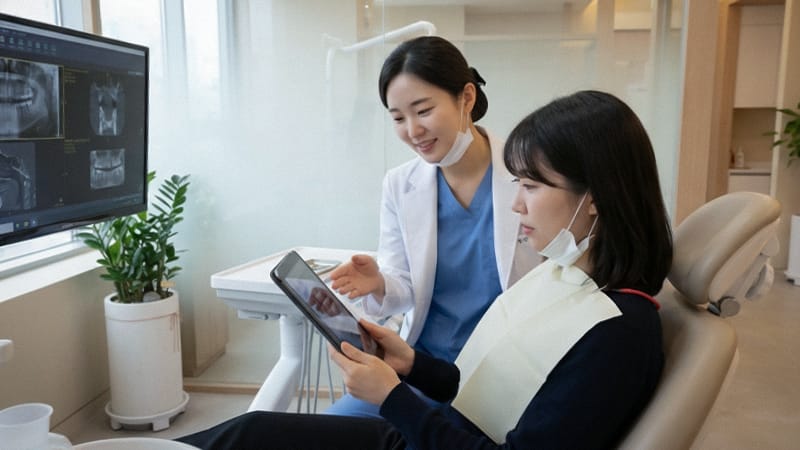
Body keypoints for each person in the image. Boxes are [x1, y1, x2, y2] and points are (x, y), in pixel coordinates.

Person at [176, 90, 674, 449]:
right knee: (250, 430)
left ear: (596, 197)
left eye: (532, 186)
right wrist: (411, 365)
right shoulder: (567, 278)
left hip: (432, 438)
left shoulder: (618, 332)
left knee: (251, 437)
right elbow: (493, 393)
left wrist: (393, 398)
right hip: (436, 433)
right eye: (398, 116)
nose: (517, 205)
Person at [324, 36, 539, 417]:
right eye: (398, 118)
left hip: (503, 374)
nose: (413, 130)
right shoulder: (399, 184)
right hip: (418, 367)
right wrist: (379, 283)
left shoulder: (530, 174)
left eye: (423, 111)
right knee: (328, 431)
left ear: (466, 98)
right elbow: (403, 287)